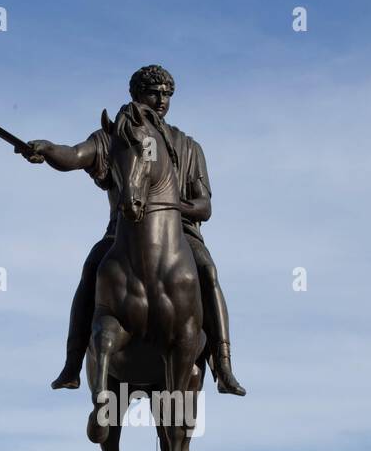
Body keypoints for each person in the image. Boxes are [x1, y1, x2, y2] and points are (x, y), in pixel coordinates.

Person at [21, 65, 246, 397]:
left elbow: (204, 207)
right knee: (91, 270)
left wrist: (169, 208)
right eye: (153, 93)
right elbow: (73, 156)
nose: (160, 100)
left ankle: (223, 364)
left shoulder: (189, 147)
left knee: (208, 271)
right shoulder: (115, 137)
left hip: (180, 234)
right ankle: (72, 364)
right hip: (121, 233)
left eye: (166, 94)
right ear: (136, 95)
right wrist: (46, 149)